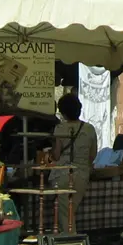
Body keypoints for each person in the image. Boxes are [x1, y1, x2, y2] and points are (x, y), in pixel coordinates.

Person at [50, 93, 98, 235]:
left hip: (62, 174)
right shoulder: (89, 129)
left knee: (65, 215)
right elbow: (93, 154)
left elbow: (57, 155)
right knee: (71, 211)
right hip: (82, 174)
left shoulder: (60, 129)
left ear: (63, 112)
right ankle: (70, 243)